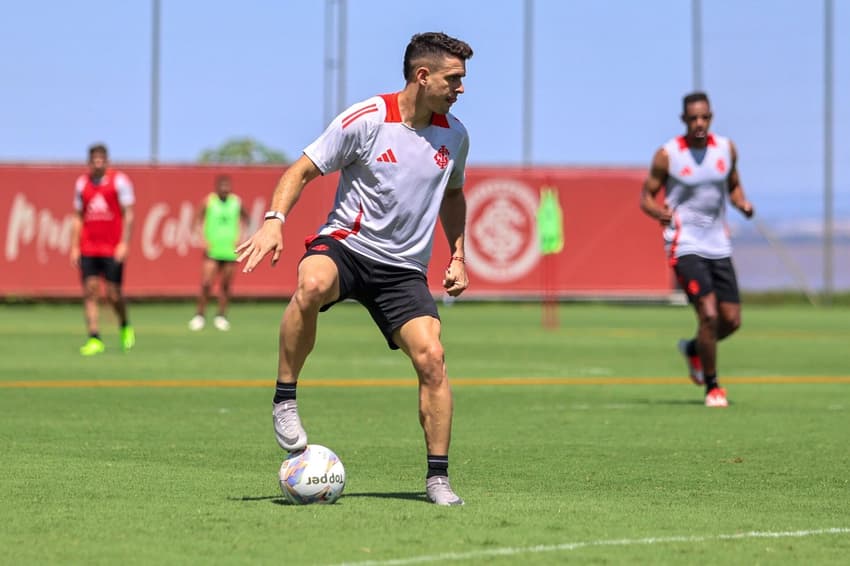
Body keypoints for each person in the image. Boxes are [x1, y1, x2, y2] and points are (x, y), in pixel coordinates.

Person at [236, 32, 473, 505]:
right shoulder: (366, 119)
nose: (460, 88)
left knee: (433, 359)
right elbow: (299, 170)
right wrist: (273, 222)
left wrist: (458, 255)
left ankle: (438, 479)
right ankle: (285, 398)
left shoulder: (455, 135)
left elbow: (453, 195)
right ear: (422, 76)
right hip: (348, 245)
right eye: (453, 79)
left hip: (404, 269)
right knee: (312, 283)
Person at [640, 92, 755, 408]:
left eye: (704, 117)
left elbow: (732, 184)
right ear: (684, 120)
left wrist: (741, 203)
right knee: (708, 313)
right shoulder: (669, 155)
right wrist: (657, 212)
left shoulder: (726, 149)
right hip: (685, 244)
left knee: (730, 320)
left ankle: (693, 349)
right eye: (693, 118)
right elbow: (646, 196)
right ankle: (713, 386)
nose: (699, 123)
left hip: (718, 244)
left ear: (711, 117)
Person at [70, 143, 136, 356]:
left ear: (106, 161)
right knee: (90, 291)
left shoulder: (119, 181)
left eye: (101, 159)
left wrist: (124, 243)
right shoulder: (82, 184)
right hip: (88, 246)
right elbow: (78, 217)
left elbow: (129, 214)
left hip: (112, 247)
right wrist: (74, 246)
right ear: (89, 162)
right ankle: (94, 337)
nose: (98, 163)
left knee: (113, 294)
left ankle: (125, 324)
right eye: (94, 160)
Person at [188, 174, 249, 331]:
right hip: (213, 249)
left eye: (227, 186)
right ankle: (200, 315)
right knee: (206, 283)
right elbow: (196, 220)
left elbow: (246, 219)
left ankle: (221, 316)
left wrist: (241, 237)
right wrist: (202, 239)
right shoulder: (209, 201)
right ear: (217, 187)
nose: (225, 189)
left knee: (226, 285)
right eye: (222, 186)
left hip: (230, 250)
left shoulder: (236, 202)